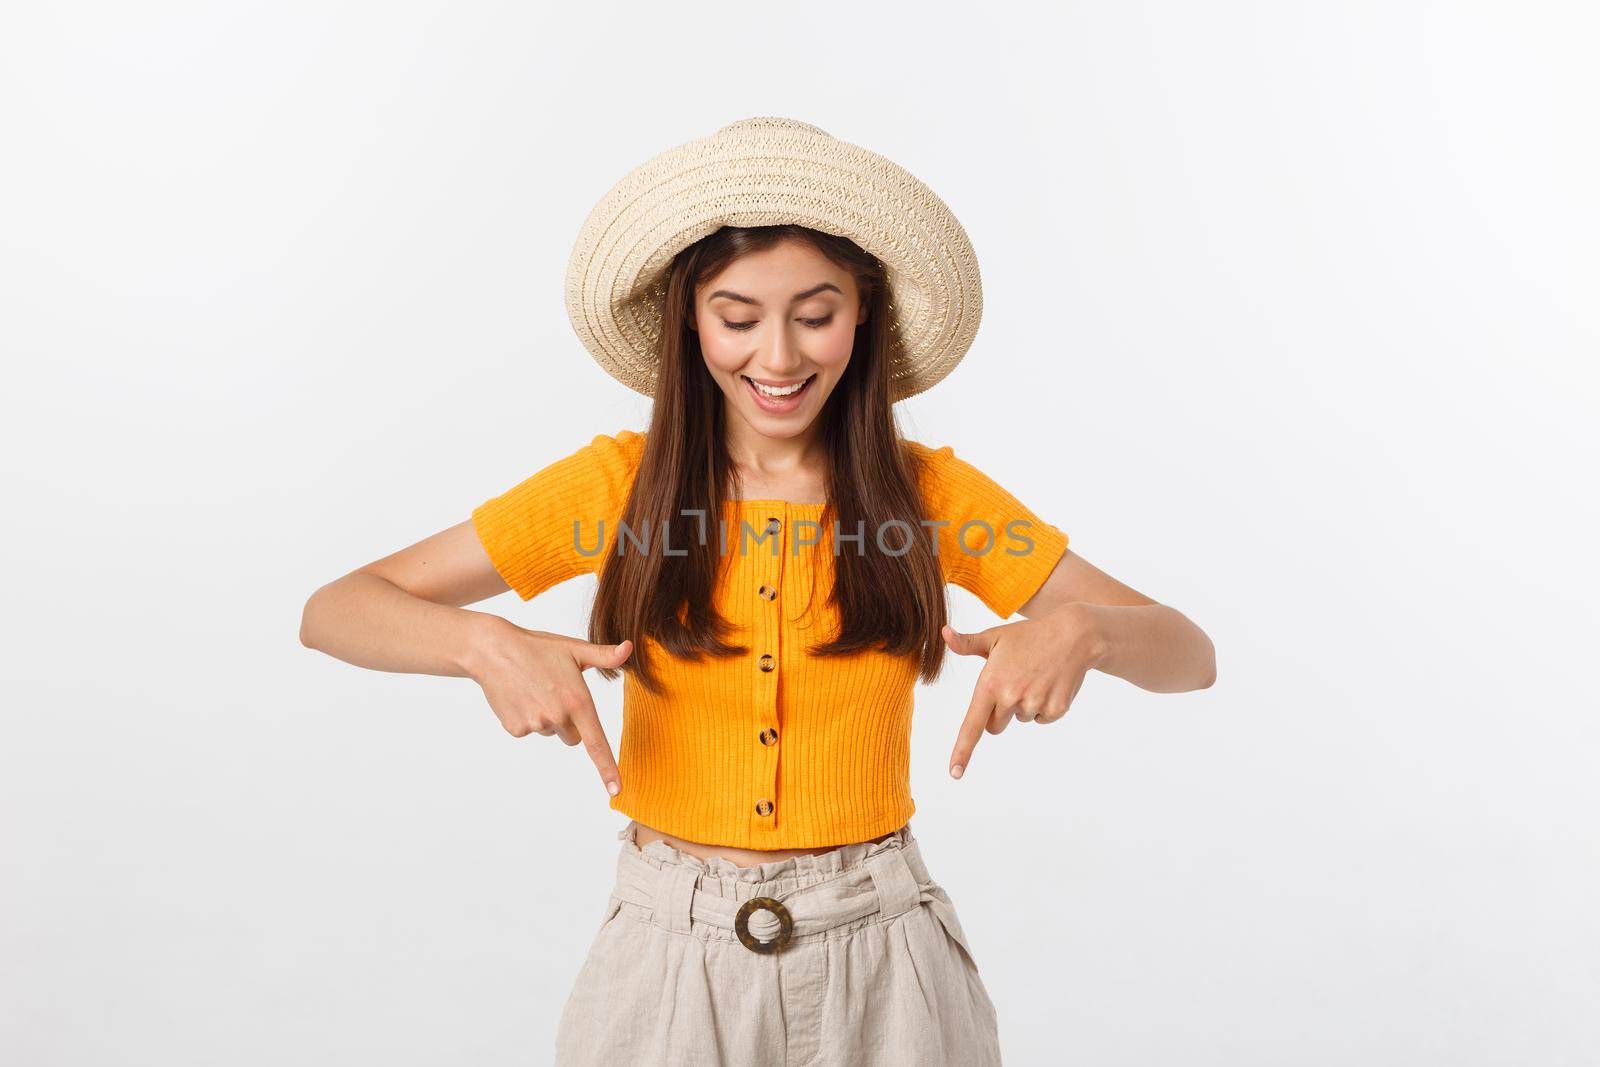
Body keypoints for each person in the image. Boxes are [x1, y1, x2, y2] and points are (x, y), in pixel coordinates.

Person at [299, 116, 1217, 1065]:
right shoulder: (619, 491)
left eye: (815, 315)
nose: (777, 359)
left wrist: (1083, 631)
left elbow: (1190, 654)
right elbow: (334, 607)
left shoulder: (929, 499)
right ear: (688, 319)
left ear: (863, 315)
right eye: (738, 318)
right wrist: (483, 644)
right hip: (667, 963)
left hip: (887, 967)